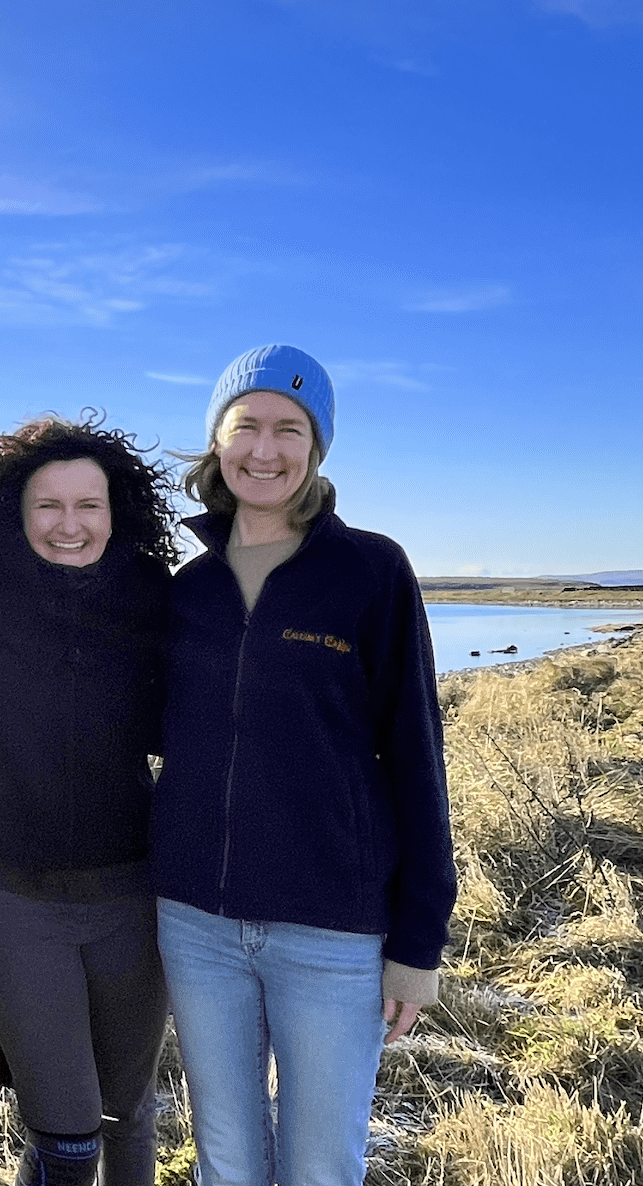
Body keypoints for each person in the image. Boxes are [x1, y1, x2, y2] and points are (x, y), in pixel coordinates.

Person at [152, 345, 456, 1186]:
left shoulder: (370, 571)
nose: (265, 449)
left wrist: (418, 942)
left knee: (321, 1166)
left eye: (290, 429)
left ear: (316, 449)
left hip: (330, 930)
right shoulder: (186, 590)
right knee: (227, 1161)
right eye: (246, 425)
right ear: (216, 440)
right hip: (195, 922)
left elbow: (418, 760)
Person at [0, 416, 175, 1186]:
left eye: (90, 505)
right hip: (12, 894)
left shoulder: (153, 595)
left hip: (134, 893)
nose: (70, 525)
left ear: (118, 511)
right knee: (67, 1135)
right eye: (49, 505)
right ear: (16, 509)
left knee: (129, 1113)